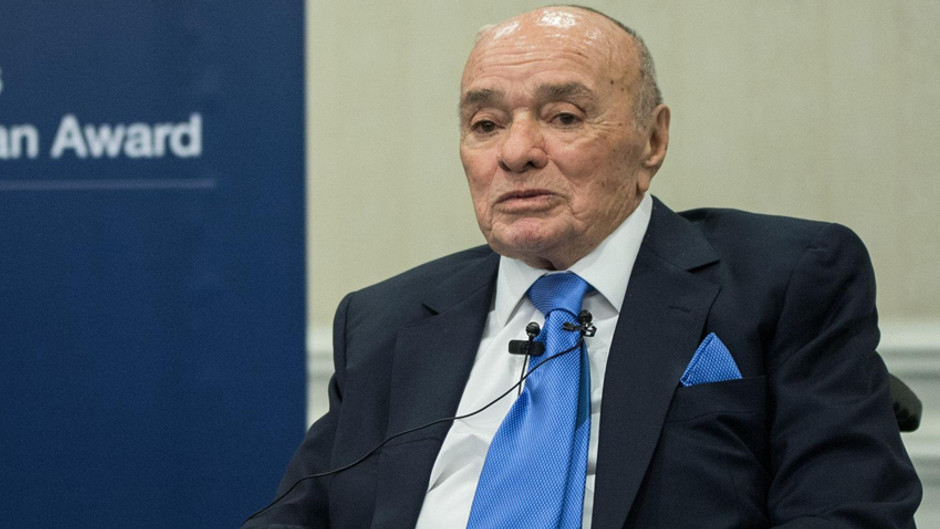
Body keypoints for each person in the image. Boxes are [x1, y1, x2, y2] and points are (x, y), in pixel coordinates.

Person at [243, 5, 921, 528]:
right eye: (485, 125)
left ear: (652, 138)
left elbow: (848, 513)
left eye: (564, 117)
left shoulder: (786, 278)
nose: (516, 152)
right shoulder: (385, 321)